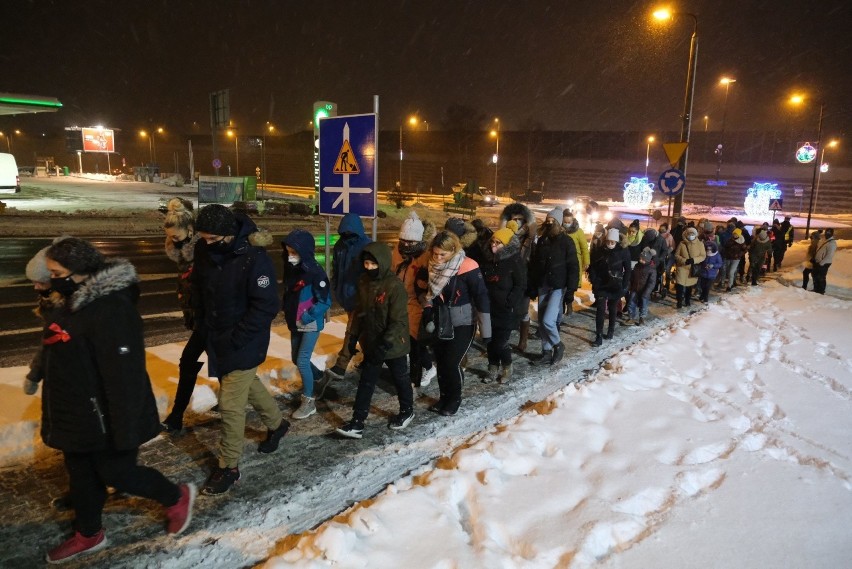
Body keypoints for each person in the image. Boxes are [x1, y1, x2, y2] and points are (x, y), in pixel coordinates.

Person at [37, 237, 194, 563]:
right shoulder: (71, 301)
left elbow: (124, 377)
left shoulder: (111, 310)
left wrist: (126, 431)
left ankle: (175, 496)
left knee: (117, 473)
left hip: (107, 416)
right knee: (80, 476)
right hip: (77, 414)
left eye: (56, 272)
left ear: (78, 272)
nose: (52, 279)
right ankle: (89, 533)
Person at [193, 205, 288, 495]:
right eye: (203, 238)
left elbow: (266, 306)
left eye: (212, 239)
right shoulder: (205, 249)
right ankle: (277, 424)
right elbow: (201, 286)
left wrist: (236, 338)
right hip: (216, 335)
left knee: (231, 405)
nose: (206, 244)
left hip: (245, 339)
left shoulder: (254, 258)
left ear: (228, 235)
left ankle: (228, 467)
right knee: (247, 385)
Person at [336, 243, 413, 438]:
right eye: (366, 263)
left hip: (393, 344)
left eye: (373, 264)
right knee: (366, 382)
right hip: (372, 342)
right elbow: (360, 314)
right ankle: (357, 422)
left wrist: (385, 343)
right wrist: (353, 340)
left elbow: (399, 321)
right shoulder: (364, 282)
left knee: (401, 379)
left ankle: (407, 411)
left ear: (383, 263)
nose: (369, 267)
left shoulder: (394, 286)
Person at [417, 231, 491, 416]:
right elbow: (424, 291)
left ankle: (454, 399)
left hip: (463, 322)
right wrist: (426, 306)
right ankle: (444, 397)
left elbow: (481, 297)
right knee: (441, 362)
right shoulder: (430, 265)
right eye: (435, 253)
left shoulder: (467, 266)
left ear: (454, 250)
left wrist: (486, 331)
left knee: (452, 362)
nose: (438, 258)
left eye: (443, 254)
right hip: (440, 320)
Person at [160, 198, 208, 434]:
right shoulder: (184, 255)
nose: (173, 243)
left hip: (214, 321)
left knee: (233, 370)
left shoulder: (204, 252)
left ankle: (273, 421)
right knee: (225, 367)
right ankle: (176, 416)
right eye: (170, 238)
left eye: (176, 238)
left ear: (190, 231)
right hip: (201, 321)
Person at [281, 229, 333, 419]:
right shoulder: (293, 271)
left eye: (294, 252)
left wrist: (308, 316)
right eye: (288, 252)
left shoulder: (315, 273)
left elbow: (325, 301)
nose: (290, 256)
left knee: (302, 360)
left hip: (309, 323)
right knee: (296, 358)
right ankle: (319, 376)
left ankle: (309, 401)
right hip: (295, 322)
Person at [391, 211, 437, 389]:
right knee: (406, 340)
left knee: (416, 342)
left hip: (417, 302)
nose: (406, 244)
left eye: (411, 241)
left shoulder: (426, 255)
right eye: (403, 240)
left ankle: (423, 370)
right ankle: (420, 369)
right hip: (400, 302)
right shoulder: (397, 251)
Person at [527, 208, 579, 366]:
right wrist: (532, 285)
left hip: (558, 286)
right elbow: (536, 264)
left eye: (552, 221)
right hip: (543, 285)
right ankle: (546, 352)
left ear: (558, 222)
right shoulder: (542, 240)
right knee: (541, 321)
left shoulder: (566, 241)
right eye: (547, 220)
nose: (549, 223)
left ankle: (558, 345)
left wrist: (570, 291)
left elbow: (573, 267)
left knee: (549, 320)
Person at [325, 212, 372, 380]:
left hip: (361, 297)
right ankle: (372, 359)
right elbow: (336, 269)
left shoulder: (366, 245)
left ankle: (341, 365)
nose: (347, 235)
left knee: (351, 330)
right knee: (361, 331)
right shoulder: (340, 245)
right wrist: (336, 288)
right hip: (346, 295)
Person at [480, 227, 527, 383]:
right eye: (493, 241)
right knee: (490, 341)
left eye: (498, 242)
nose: (494, 245)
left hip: (506, 309)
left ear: (506, 244)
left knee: (500, 342)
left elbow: (520, 284)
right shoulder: (487, 259)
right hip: (489, 307)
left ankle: (507, 367)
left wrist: (510, 301)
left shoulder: (514, 261)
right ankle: (492, 367)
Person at [499, 203, 536, 352]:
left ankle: (523, 340)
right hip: (506, 278)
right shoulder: (504, 236)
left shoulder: (530, 238)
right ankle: (504, 339)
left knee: (522, 310)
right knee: (506, 308)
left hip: (524, 278)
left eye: (520, 218)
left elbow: (535, 259)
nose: (517, 221)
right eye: (514, 218)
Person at [588, 228, 631, 346]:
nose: (610, 244)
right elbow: (593, 267)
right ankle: (599, 336)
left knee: (613, 308)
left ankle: (611, 330)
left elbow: (627, 269)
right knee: (600, 310)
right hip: (602, 284)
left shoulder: (623, 251)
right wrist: (595, 281)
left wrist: (624, 284)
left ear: (617, 242)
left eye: (612, 242)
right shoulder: (600, 250)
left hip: (616, 284)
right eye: (608, 242)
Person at [562, 209, 589, 316]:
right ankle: (562, 307)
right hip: (561, 263)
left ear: (572, 221)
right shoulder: (559, 230)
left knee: (570, 287)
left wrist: (586, 261)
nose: (567, 224)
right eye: (565, 222)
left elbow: (584, 248)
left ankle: (569, 305)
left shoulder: (578, 231)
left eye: (569, 222)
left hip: (574, 263)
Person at [674, 226, 706, 308]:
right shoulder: (682, 243)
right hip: (682, 268)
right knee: (679, 286)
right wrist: (684, 260)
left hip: (692, 268)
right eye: (689, 234)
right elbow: (676, 255)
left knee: (689, 287)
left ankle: (687, 300)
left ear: (695, 235)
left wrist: (694, 260)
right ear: (686, 234)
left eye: (693, 234)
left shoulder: (700, 244)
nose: (691, 235)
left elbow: (703, 256)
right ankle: (679, 301)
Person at [624, 247, 655, 325]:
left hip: (644, 290)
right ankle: (631, 317)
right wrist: (629, 285)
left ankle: (642, 317)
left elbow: (651, 282)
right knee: (631, 303)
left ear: (647, 260)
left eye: (643, 259)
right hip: (635, 288)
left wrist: (647, 292)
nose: (641, 260)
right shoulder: (637, 266)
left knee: (644, 304)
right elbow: (632, 276)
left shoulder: (651, 269)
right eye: (640, 258)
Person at [721, 228, 748, 292]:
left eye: (736, 234)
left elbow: (745, 250)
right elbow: (725, 247)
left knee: (731, 272)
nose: (734, 235)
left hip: (736, 259)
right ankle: (732, 283)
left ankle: (729, 286)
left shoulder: (741, 241)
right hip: (728, 258)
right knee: (728, 271)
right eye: (734, 234)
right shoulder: (730, 240)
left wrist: (739, 255)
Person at [812, 228, 837, 294]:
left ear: (832, 233)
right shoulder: (824, 240)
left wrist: (821, 263)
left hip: (824, 263)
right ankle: (816, 289)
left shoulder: (832, 243)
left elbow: (829, 255)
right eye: (826, 232)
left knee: (821, 277)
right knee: (815, 275)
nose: (827, 234)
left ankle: (820, 291)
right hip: (818, 262)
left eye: (828, 233)